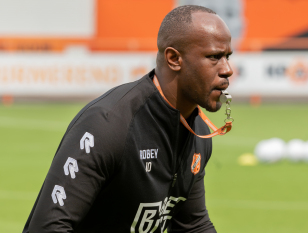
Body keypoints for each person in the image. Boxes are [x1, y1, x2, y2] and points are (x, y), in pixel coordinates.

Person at [23, 5, 233, 233]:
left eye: (227, 56)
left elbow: (192, 225)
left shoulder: (198, 131)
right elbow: (47, 228)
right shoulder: (106, 125)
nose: (228, 69)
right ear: (173, 58)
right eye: (214, 57)